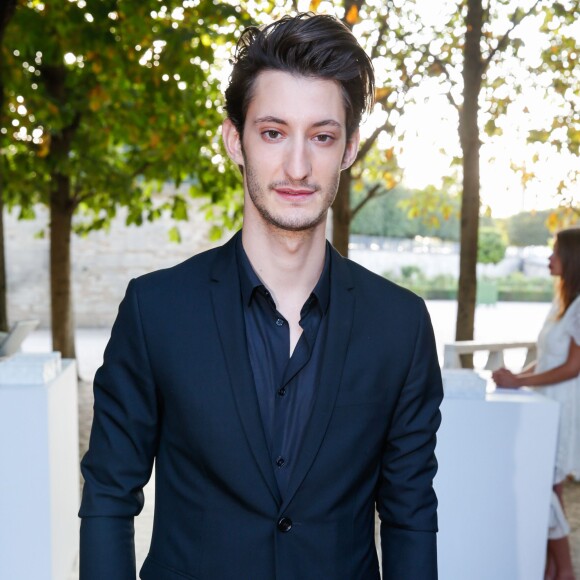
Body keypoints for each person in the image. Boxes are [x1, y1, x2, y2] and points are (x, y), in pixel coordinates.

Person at [79, 13, 443, 580]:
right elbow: (108, 493)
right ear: (235, 140)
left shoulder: (401, 324)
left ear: (347, 150)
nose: (297, 166)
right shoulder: (156, 311)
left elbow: (410, 513)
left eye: (321, 136)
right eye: (273, 132)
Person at [493, 227, 580, 580]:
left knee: (546, 490)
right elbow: (547, 359)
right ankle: (547, 569)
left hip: (562, 407)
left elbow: (574, 366)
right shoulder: (562, 302)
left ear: (572, 259)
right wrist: (518, 375)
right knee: (548, 490)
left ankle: (565, 569)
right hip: (545, 404)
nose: (548, 258)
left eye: (555, 251)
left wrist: (520, 381)